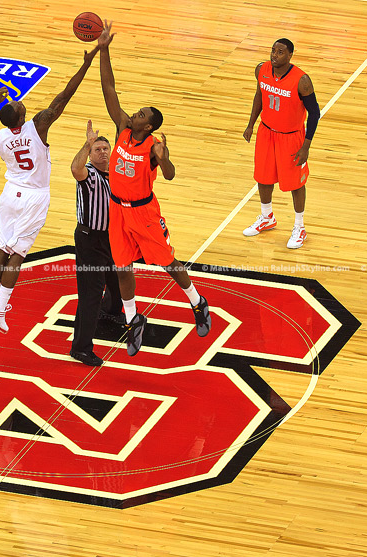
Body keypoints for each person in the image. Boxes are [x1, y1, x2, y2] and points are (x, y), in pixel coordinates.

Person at [96, 21, 211, 357]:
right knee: (122, 268)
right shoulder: (121, 128)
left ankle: (198, 301)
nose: (134, 112)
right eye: (137, 110)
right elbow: (109, 89)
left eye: (141, 113)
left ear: (148, 126)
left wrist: (165, 159)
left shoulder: (154, 147)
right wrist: (104, 49)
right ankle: (134, 320)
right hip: (117, 209)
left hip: (145, 211)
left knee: (168, 262)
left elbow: (172, 176)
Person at [0, 48, 99, 334]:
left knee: (1, 251)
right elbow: (65, 96)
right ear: (20, 114)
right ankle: (0, 311)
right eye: (17, 103)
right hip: (34, 197)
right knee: (17, 254)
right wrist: (86, 63)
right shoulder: (38, 126)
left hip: (10, 193)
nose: (18, 100)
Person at [242, 38, 320, 249]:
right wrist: (250, 125)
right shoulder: (261, 70)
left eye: (280, 52)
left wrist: (306, 146)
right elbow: (259, 95)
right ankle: (267, 217)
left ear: (290, 56)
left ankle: (299, 226)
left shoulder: (301, 80)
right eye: (273, 51)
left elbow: (314, 113)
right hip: (266, 132)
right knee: (263, 176)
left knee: (295, 183)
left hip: (291, 137)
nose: (274, 55)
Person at [69, 120, 123, 366]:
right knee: (91, 294)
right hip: (90, 239)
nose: (102, 152)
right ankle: (81, 348)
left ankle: (110, 312)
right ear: (90, 155)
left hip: (112, 237)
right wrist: (87, 143)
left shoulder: (118, 174)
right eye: (97, 149)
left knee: (118, 277)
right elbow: (74, 168)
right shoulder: (88, 174)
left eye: (104, 148)